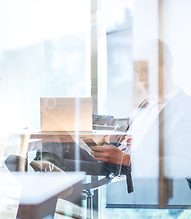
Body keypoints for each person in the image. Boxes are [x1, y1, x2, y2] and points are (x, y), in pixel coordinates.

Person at [28, 39, 191, 194]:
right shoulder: (147, 104)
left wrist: (127, 159)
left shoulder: (185, 108)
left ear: (167, 67)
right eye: (138, 72)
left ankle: (45, 175)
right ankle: (46, 170)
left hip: (125, 169)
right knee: (56, 128)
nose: (140, 79)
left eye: (146, 70)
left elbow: (184, 165)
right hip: (110, 162)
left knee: (56, 164)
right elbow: (131, 137)